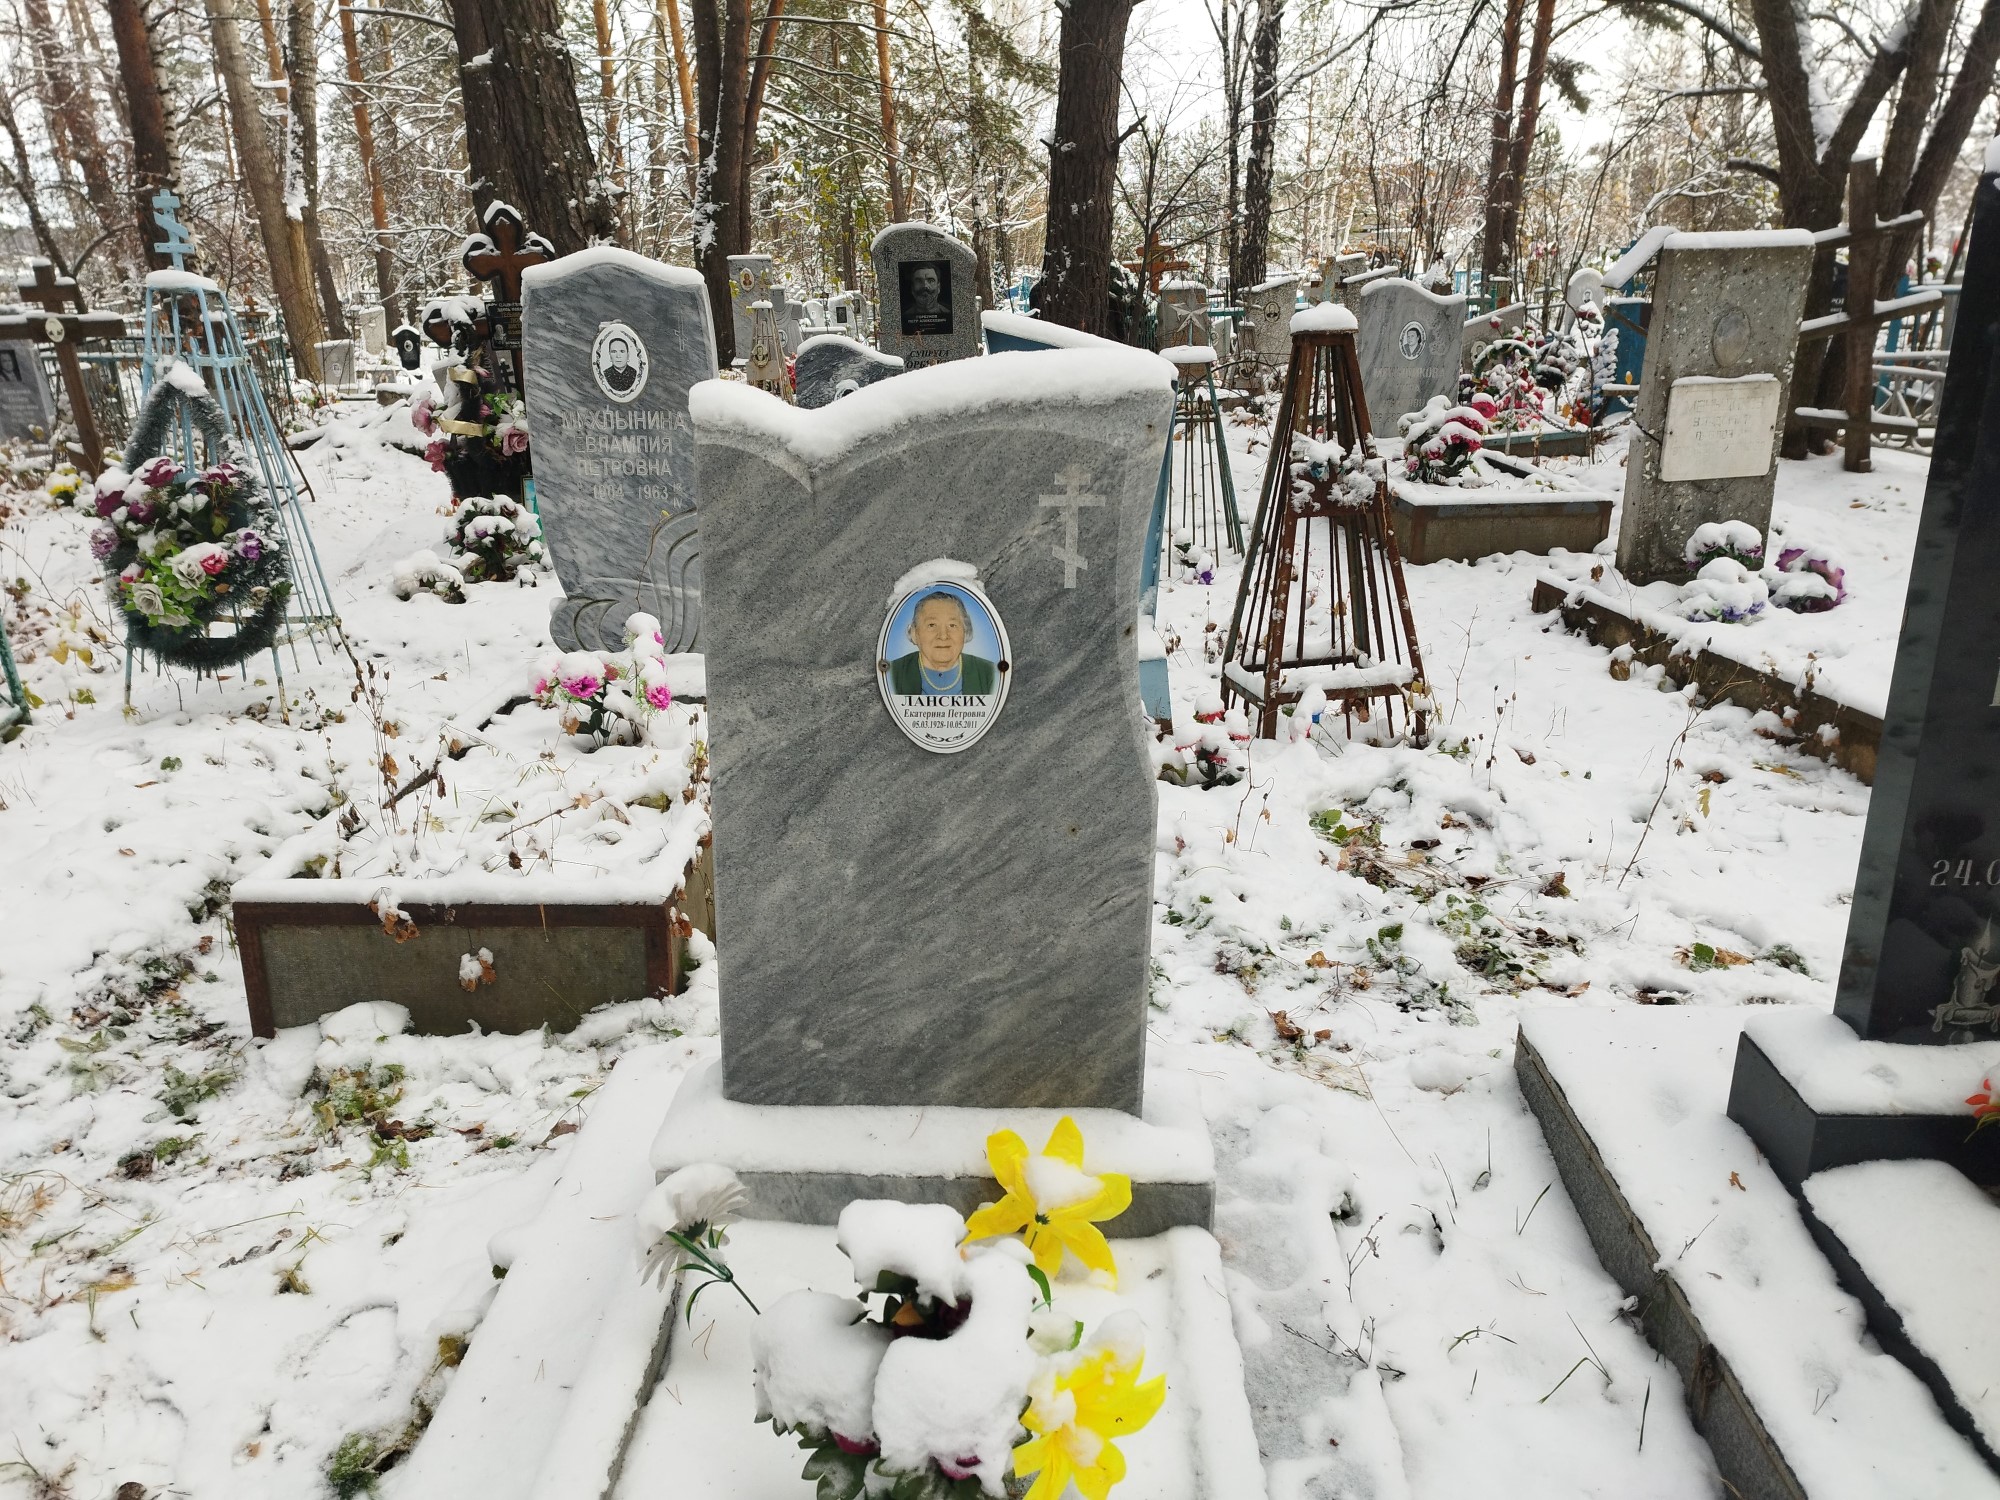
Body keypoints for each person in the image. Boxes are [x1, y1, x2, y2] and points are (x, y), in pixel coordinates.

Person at [888, 590, 995, 695]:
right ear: (914, 633)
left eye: (952, 625)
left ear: (965, 631)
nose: (943, 636)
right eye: (932, 625)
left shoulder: (990, 673)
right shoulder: (892, 673)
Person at [902, 263, 949, 332]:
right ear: (912, 288)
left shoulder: (948, 314)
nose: (925, 286)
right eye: (919, 281)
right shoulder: (904, 317)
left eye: (931, 281)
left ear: (938, 287)